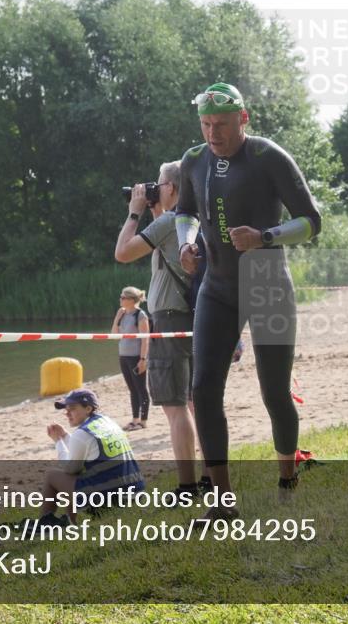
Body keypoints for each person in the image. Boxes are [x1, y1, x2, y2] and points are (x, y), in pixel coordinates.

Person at [175, 82, 322, 511]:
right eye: (205, 124)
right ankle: (222, 500)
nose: (212, 133)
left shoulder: (267, 157)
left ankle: (288, 479)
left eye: (221, 124)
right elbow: (184, 210)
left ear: (244, 118)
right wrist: (187, 243)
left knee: (274, 392)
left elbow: (312, 222)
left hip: (268, 283)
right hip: (216, 287)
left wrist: (264, 237)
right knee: (203, 390)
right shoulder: (194, 160)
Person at [114, 160, 208, 497]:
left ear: (170, 187)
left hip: (170, 318)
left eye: (157, 184)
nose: (153, 189)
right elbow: (165, 254)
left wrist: (134, 212)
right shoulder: (191, 219)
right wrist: (155, 210)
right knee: (199, 401)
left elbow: (123, 253)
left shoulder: (171, 221)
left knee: (174, 405)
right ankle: (209, 476)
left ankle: (187, 485)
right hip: (196, 317)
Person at [31, 388, 144, 528]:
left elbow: (70, 469)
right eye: (66, 409)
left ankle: (45, 525)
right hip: (134, 493)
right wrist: (66, 437)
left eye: (72, 408)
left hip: (110, 500)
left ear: (88, 408)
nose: (67, 413)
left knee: (52, 475)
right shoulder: (107, 422)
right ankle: (70, 522)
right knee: (81, 475)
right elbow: (88, 448)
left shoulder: (82, 434)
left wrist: (59, 442)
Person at [112, 286, 150, 431]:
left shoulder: (140, 315)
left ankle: (144, 421)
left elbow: (145, 339)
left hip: (136, 357)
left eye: (123, 297)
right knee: (132, 389)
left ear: (131, 300)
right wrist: (117, 318)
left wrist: (143, 359)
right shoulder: (122, 315)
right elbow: (115, 335)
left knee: (141, 389)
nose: (120, 300)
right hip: (123, 356)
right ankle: (135, 420)